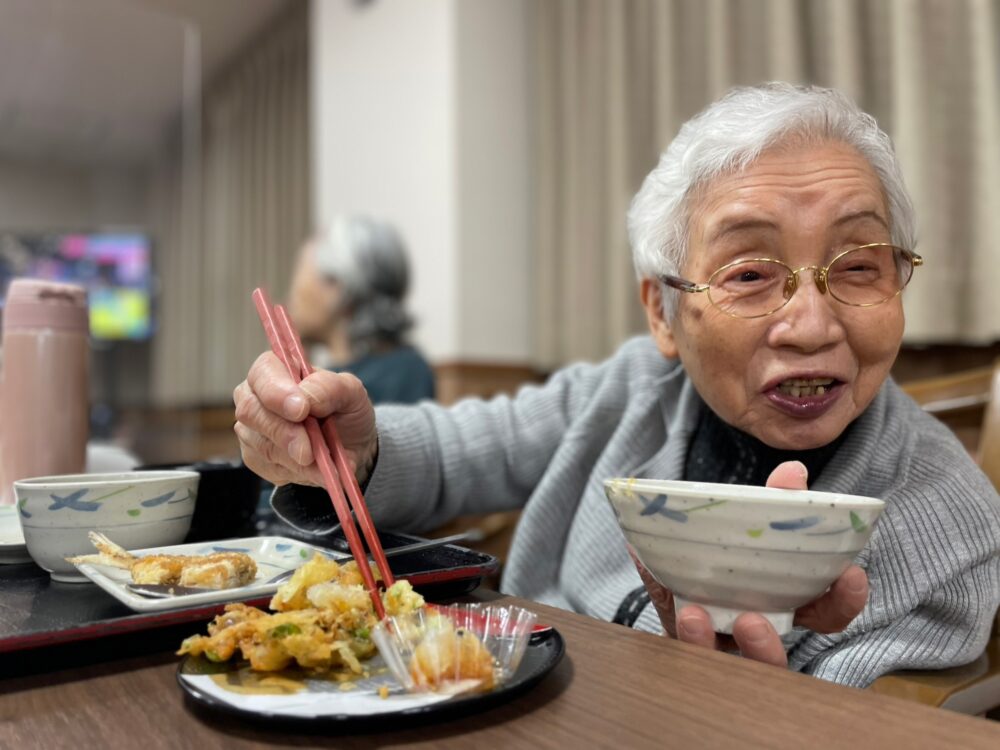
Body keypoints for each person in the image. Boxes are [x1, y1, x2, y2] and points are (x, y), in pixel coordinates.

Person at [233, 83, 1000, 687]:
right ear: (662, 313)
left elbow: (863, 717)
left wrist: (754, 704)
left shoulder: (953, 528)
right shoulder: (629, 389)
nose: (808, 324)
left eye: (859, 266)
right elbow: (464, 450)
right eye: (749, 273)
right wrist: (356, 446)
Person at [287, 215, 435, 404]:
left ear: (338, 287)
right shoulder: (331, 373)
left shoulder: (404, 375)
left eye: (299, 275)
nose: (291, 298)